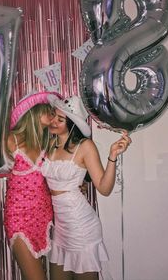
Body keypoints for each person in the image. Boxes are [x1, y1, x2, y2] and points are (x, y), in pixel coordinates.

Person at [0, 91, 61, 280]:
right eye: (48, 110)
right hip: (19, 220)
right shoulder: (10, 141)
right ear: (34, 111)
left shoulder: (47, 143)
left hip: (44, 217)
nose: (52, 114)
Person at [41, 95, 132, 280]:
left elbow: (104, 189)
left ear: (72, 123)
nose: (53, 121)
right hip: (60, 228)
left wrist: (113, 155)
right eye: (53, 116)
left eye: (60, 119)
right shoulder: (48, 144)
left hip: (81, 226)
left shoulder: (85, 146)